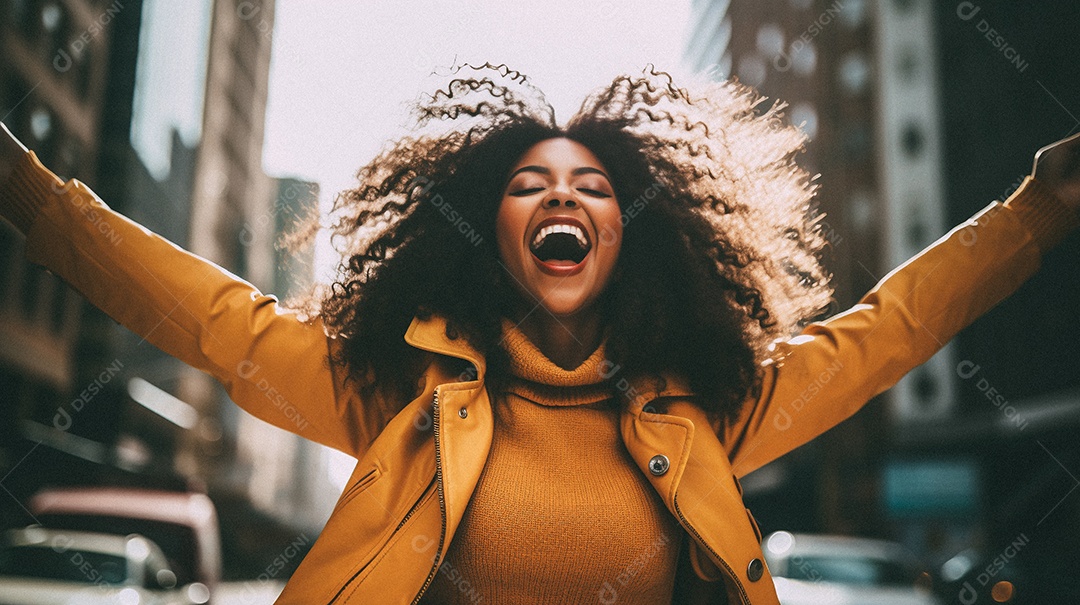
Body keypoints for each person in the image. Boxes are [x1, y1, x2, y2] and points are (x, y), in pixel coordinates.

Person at [0, 65, 1077, 604]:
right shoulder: (402, 392)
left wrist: (1036, 210)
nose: (562, 196)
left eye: (594, 185)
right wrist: (30, 194)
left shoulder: (706, 405)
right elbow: (216, 321)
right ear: (489, 233)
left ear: (634, 232)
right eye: (529, 183)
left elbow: (886, 332)